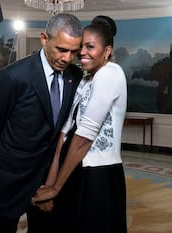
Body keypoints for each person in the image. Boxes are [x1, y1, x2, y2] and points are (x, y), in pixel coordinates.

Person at [0, 13, 83, 233]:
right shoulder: (12, 77)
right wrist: (5, 165)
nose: (67, 58)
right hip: (8, 180)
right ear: (44, 39)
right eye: (61, 49)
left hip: (48, 183)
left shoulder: (75, 77)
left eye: (74, 51)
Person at [32, 15, 128, 232]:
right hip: (73, 169)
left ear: (106, 52)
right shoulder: (85, 80)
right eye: (81, 47)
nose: (82, 52)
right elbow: (62, 137)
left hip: (99, 175)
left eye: (90, 47)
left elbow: (85, 137)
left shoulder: (111, 73)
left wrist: (55, 188)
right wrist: (51, 184)